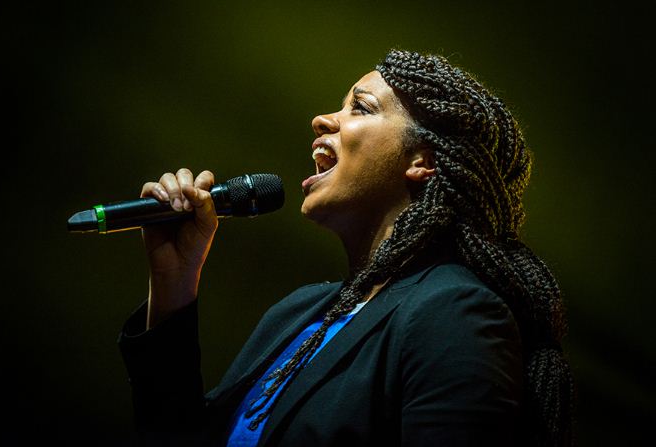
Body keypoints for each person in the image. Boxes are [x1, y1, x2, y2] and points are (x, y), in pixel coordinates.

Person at [117, 49, 574, 446]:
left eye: (361, 107)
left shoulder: (453, 311)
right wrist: (174, 279)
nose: (323, 120)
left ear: (424, 162)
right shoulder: (299, 311)